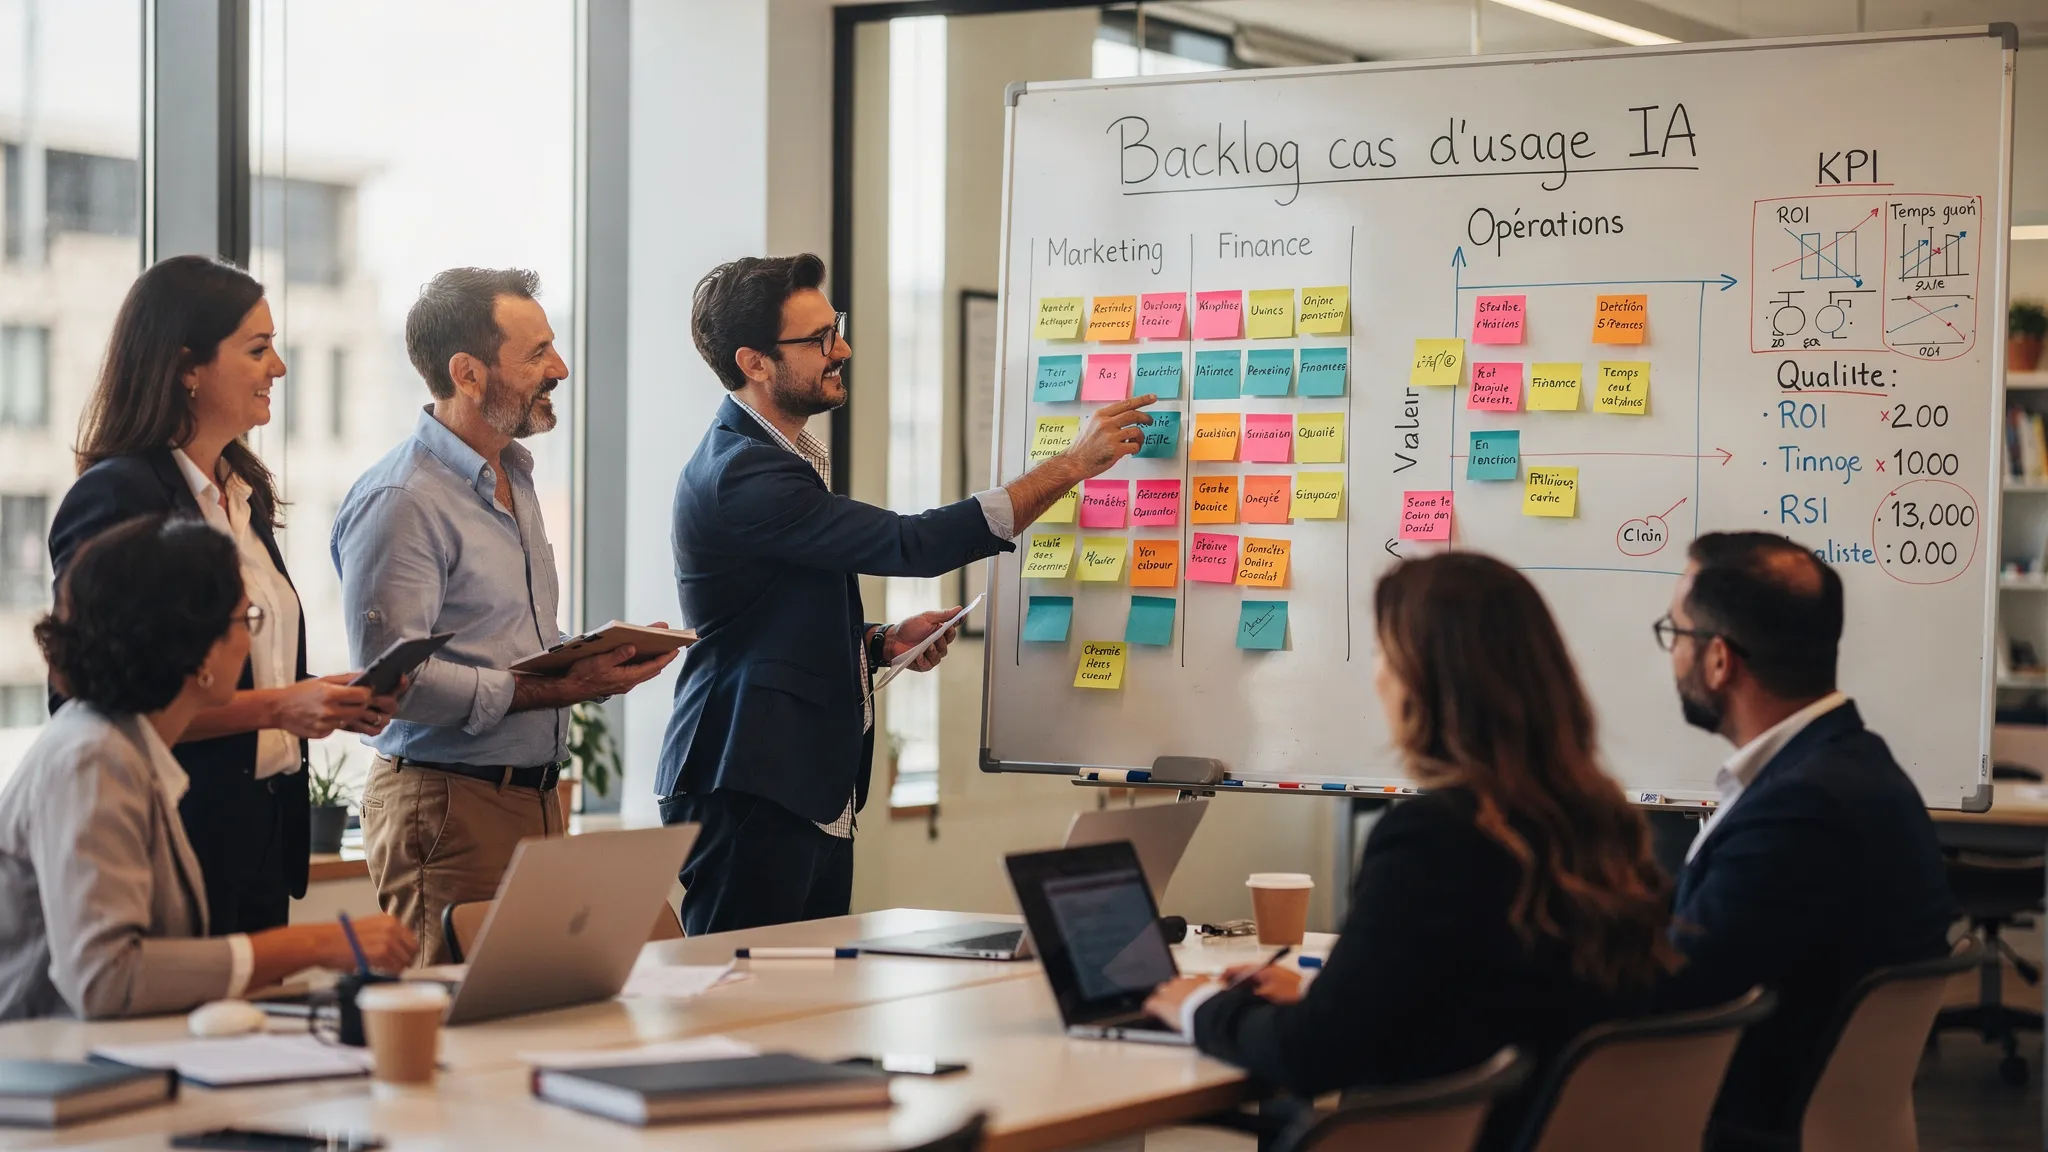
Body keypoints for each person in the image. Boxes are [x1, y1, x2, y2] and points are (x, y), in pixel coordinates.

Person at [661, 253, 1154, 934]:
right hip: (749, 781)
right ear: (755, 363)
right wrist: (1072, 464)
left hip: (799, 784)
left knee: (813, 988)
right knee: (740, 989)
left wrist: (878, 644)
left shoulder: (774, 459)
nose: (843, 349)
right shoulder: (742, 472)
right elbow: (912, 544)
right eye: (819, 339)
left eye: (835, 327)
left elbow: (767, 619)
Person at [1144, 553, 1678, 1151]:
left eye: (1382, 654)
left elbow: (1313, 1055)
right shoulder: (1599, 825)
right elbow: (1494, 1000)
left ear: (1424, 681)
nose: (1376, 677)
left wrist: (1200, 1005)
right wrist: (1326, 997)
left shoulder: (1435, 836)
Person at [332, 268, 677, 964]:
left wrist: (594, 659)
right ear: (467, 374)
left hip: (535, 801)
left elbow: (508, 641)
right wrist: (555, 689)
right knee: (457, 1019)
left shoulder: (513, 474)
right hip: (448, 808)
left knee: (544, 1009)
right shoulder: (402, 500)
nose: (561, 368)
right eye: (537, 353)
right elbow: (393, 682)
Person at [47, 255, 396, 935]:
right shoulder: (118, 495)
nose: (280, 368)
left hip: (261, 835)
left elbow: (246, 673)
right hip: (174, 835)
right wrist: (284, 705)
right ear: (187, 367)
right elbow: (92, 700)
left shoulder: (242, 492)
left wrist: (325, 698)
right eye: (258, 349)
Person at [0, 517, 415, 1021]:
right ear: (195, 650)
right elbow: (107, 978)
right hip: (46, 1057)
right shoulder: (93, 758)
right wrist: (318, 944)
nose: (251, 642)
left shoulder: (123, 745)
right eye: (247, 620)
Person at [1653, 532, 1954, 1149]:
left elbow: (1678, 991)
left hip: (1737, 1127)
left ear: (1719, 660)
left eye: (1676, 633)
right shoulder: (1847, 767)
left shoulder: (1802, 809)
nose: (1672, 653)